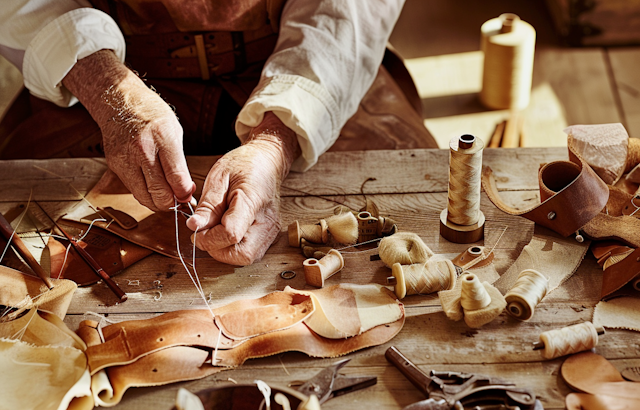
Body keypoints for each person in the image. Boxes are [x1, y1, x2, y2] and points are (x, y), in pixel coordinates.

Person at [0, 0, 436, 265]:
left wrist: (274, 142)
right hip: (99, 64)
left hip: (303, 62)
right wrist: (108, 92)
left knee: (412, 199)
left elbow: (345, 14)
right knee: (24, 236)